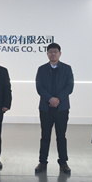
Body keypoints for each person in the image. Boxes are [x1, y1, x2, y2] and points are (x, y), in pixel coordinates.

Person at [34, 43, 74, 174]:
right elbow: (39, 87)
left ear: (60, 54)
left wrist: (58, 99)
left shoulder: (67, 68)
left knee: (61, 136)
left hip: (62, 108)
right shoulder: (42, 69)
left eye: (55, 51)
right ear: (47, 54)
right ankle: (42, 162)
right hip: (45, 108)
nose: (53, 54)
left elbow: (69, 87)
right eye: (50, 52)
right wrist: (50, 99)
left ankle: (63, 162)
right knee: (45, 136)